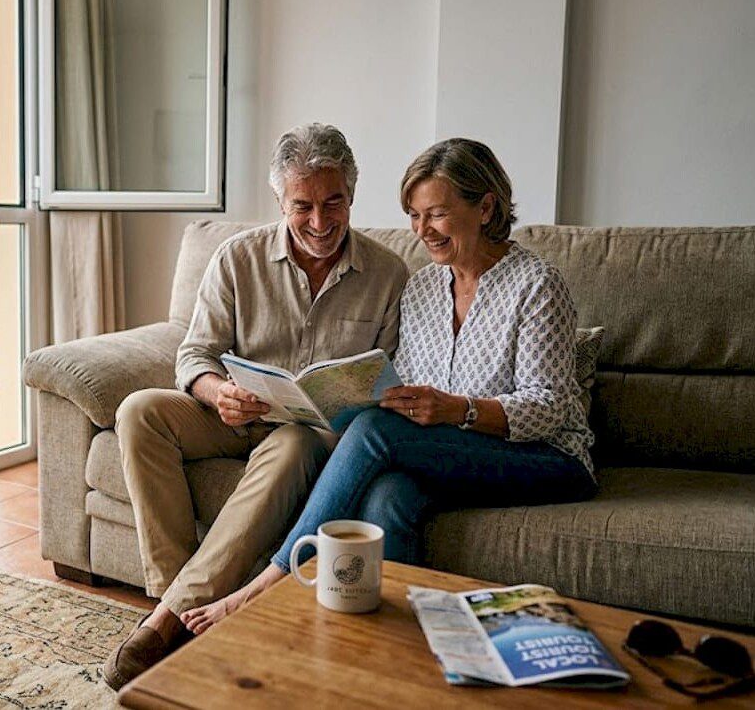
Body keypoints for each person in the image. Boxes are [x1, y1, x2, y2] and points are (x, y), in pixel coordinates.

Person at [181, 137, 598, 634]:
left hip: (548, 458)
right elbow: (406, 382)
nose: (423, 231)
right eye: (415, 216)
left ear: (486, 208)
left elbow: (548, 407)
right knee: (387, 496)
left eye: (437, 214)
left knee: (377, 431)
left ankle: (270, 582)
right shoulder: (422, 286)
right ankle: (396, 642)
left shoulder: (537, 285)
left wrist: (457, 409)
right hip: (453, 449)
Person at [103, 123, 409, 689]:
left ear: (352, 192)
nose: (320, 222)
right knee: (139, 411)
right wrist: (215, 390)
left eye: (333, 202)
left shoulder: (389, 274)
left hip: (312, 434)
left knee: (293, 443)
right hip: (234, 415)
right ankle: (175, 598)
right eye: (302, 206)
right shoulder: (236, 258)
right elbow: (194, 353)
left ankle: (164, 625)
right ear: (279, 199)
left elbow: (391, 379)